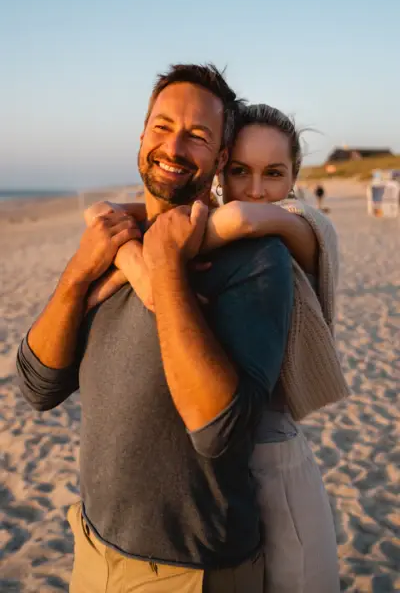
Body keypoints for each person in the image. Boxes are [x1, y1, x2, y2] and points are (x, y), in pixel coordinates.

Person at [16, 65, 295, 592]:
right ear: (141, 136)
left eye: (198, 135)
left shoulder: (255, 258)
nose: (173, 146)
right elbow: (38, 387)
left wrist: (166, 270)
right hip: (92, 551)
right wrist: (80, 273)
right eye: (162, 127)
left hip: (191, 571)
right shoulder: (109, 245)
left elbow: (220, 432)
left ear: (220, 156)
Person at [85, 104, 348, 592]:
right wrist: (134, 255)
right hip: (219, 481)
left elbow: (245, 218)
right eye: (240, 171)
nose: (255, 188)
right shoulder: (211, 220)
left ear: (295, 176)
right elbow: (100, 213)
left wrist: (147, 270)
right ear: (222, 167)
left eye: (273, 173)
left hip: (276, 468)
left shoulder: (302, 224)